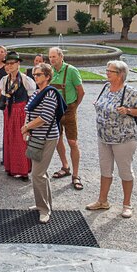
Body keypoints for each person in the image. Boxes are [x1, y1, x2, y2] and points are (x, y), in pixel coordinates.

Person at [85, 60, 137, 218]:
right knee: (105, 169)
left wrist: (128, 110)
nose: (107, 72)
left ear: (121, 74)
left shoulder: (130, 92)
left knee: (125, 172)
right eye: (107, 70)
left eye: (111, 71)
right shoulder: (106, 88)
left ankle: (127, 205)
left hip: (124, 139)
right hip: (104, 137)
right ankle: (102, 201)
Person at [22, 63, 65, 224]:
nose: (36, 77)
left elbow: (45, 118)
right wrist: (27, 128)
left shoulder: (50, 93)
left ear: (47, 76)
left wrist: (26, 127)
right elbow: (29, 111)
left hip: (47, 137)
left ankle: (45, 209)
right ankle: (43, 204)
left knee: (37, 174)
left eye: (39, 74)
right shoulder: (37, 93)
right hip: (36, 137)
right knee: (41, 173)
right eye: (34, 74)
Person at [49, 47, 85, 190]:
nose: (52, 59)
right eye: (50, 57)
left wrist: (75, 106)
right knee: (58, 139)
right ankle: (65, 166)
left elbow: (81, 91)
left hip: (69, 109)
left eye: (54, 57)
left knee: (72, 142)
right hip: (55, 110)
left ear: (61, 57)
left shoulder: (71, 70)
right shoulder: (50, 71)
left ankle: (76, 175)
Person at [0, 51, 34, 180]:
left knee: (21, 140)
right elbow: (1, 96)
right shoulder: (4, 80)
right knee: (9, 138)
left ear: (18, 64)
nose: (9, 66)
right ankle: (11, 167)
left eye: (12, 63)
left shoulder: (25, 79)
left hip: (21, 111)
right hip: (9, 111)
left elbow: (31, 99)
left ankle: (24, 170)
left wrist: (29, 117)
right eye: (7, 63)